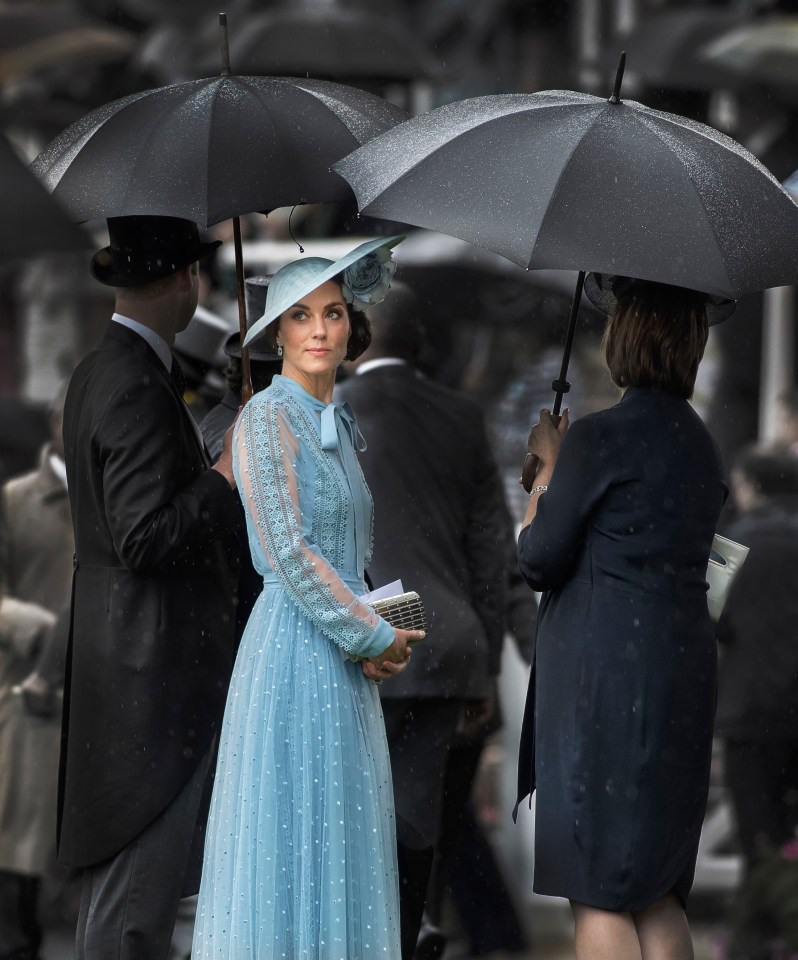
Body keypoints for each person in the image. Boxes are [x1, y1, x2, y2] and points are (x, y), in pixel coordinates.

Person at [191, 236, 424, 959]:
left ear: (353, 324)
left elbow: (348, 559)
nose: (320, 329)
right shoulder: (265, 416)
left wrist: (381, 635)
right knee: (292, 841)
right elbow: (287, 553)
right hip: (292, 653)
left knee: (341, 839)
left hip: (342, 663)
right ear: (276, 331)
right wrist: (369, 635)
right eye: (299, 316)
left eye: (332, 312)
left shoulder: (339, 423)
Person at [515, 274, 730, 960]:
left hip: (603, 683)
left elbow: (539, 557)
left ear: (624, 338)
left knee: (600, 886)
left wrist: (548, 471)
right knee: (656, 887)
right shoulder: (704, 447)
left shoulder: (602, 438)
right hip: (680, 678)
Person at [60, 215, 244, 960]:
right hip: (148, 673)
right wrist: (222, 478)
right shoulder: (135, 381)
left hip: (123, 656)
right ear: (184, 280)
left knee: (129, 896)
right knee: (137, 904)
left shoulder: (102, 368)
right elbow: (141, 536)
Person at [334, 280, 511, 960]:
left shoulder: (330, 414)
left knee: (356, 821)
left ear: (357, 341)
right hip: (448, 648)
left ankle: (382, 937)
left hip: (369, 640)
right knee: (422, 819)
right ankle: (413, 929)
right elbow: (489, 552)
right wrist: (487, 665)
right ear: (423, 343)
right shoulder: (462, 417)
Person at [715, 446, 798, 870]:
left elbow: (708, 618)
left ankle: (765, 928)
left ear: (753, 487)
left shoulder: (731, 544)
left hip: (749, 713)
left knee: (759, 837)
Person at [0, 496, 58, 960]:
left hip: (107, 692)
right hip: (32, 699)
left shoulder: (110, 483)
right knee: (20, 850)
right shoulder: (16, 500)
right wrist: (46, 628)